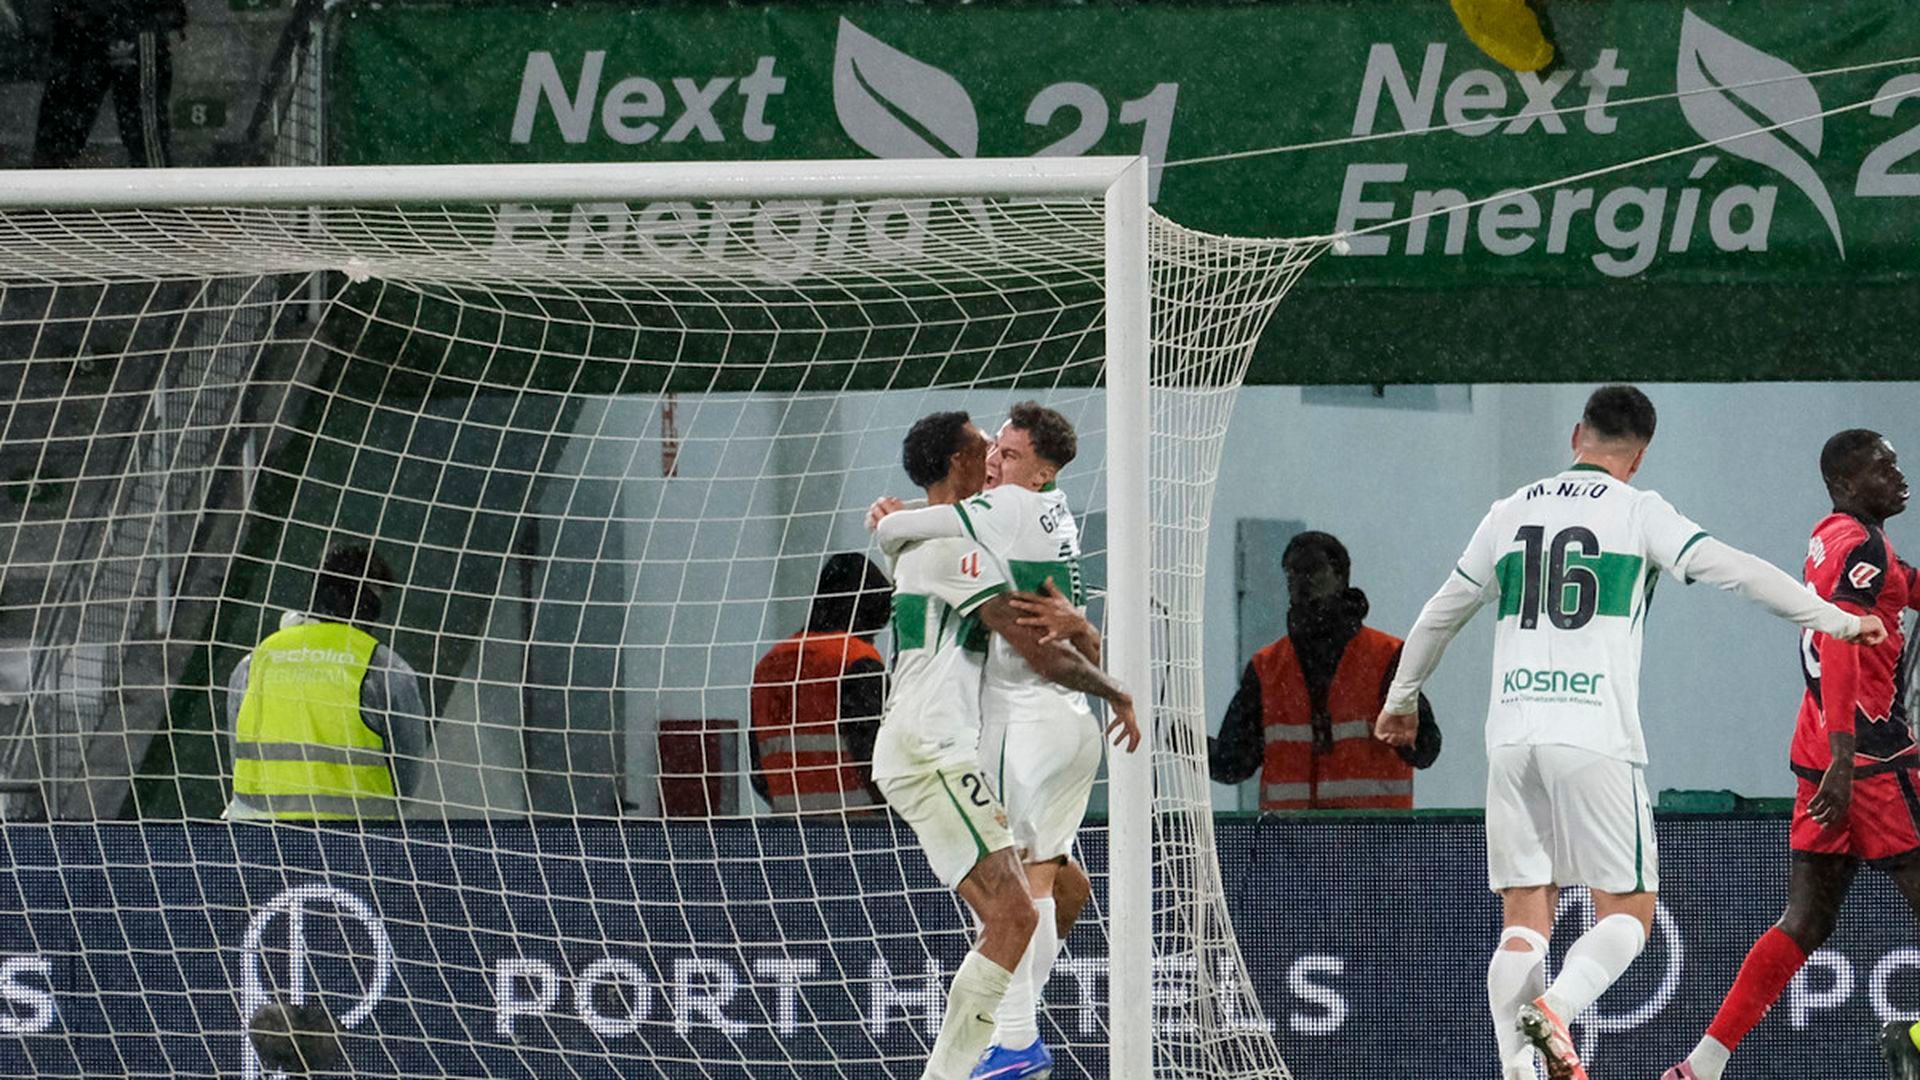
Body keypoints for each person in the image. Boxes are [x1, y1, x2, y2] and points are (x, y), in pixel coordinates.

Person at [1373, 386, 1885, 1080]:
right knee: (1629, 913)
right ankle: (1554, 1010)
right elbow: (1736, 572)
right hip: (1592, 737)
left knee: (1525, 916)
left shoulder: (1510, 511)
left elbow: (1441, 612)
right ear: (1639, 456)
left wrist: (1403, 698)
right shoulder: (1638, 511)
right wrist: (1837, 619)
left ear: (1576, 434)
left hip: (1511, 736)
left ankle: (1516, 1072)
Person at [871, 402, 1137, 1080]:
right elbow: (1032, 646)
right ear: (961, 463)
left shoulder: (968, 537)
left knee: (1065, 891)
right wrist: (1116, 688)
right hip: (933, 747)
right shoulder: (953, 548)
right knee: (1016, 913)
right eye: (987, 448)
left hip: (955, 740)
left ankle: (1006, 1040)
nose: (994, 459)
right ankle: (994, 1055)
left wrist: (1083, 627)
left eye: (1006, 451)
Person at [1664, 431, 1919, 1080]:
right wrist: (1845, 754)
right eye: (1881, 466)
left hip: (1817, 752)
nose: (1897, 473)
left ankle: (1704, 1062)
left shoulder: (1832, 535)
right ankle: (1916, 1039)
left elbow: (1900, 585)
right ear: (1845, 485)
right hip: (1867, 760)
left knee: (1803, 920)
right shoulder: (1862, 544)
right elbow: (1838, 644)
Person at [1209, 530, 1441, 810]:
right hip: (1292, 847)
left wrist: (1410, 741)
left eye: (1313, 569)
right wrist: (1177, 736)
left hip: (1371, 846)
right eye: (1293, 573)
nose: (1301, 581)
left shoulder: (1387, 659)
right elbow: (1233, 762)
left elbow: (1427, 748)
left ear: (1341, 577)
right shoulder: (1266, 669)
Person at [225, 545, 431, 820]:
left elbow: (238, 758)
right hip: (357, 843)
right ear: (366, 597)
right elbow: (407, 777)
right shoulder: (382, 668)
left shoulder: (254, 664)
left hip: (256, 842)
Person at [749, 552, 892, 814]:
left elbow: (757, 769)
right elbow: (877, 756)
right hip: (864, 828)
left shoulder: (768, 665)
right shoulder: (857, 662)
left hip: (790, 828)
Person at [32, 0, 186, 168]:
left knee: (144, 130)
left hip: (128, 22)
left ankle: (156, 186)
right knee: (58, 131)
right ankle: (46, 184)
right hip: (94, 23)